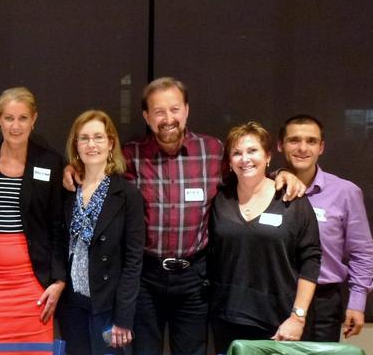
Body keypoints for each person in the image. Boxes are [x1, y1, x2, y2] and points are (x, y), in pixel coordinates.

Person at [63, 77, 305, 355]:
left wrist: (280, 174)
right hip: (146, 279)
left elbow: (248, 172)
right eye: (158, 112)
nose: (168, 119)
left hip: (194, 280)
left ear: (187, 110)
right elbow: (96, 171)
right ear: (146, 116)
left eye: (175, 109)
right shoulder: (130, 155)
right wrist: (72, 169)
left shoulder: (213, 151)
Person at [208, 121, 321, 353]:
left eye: (252, 151)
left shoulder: (291, 198)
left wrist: (298, 317)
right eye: (237, 153)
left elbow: (311, 259)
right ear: (229, 162)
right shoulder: (220, 199)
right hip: (228, 318)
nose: (245, 158)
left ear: (267, 156)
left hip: (279, 322)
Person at [0, 87, 66, 346]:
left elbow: (58, 225)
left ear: (34, 119)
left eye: (23, 118)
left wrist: (59, 280)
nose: (15, 125)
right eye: (9, 118)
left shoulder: (50, 162)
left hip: (33, 282)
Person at [277, 114, 373, 341]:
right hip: (274, 297)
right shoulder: (266, 188)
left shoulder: (346, 193)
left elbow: (363, 252)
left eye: (311, 141)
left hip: (323, 304)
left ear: (321, 147)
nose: (303, 148)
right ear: (280, 145)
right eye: (294, 140)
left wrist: (357, 302)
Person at [57, 110, 145, 355]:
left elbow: (133, 261)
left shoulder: (128, 195)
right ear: (76, 145)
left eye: (98, 137)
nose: (91, 144)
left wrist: (124, 316)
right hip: (72, 304)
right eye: (83, 138)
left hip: (107, 306)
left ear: (111, 143)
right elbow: (58, 242)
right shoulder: (67, 189)